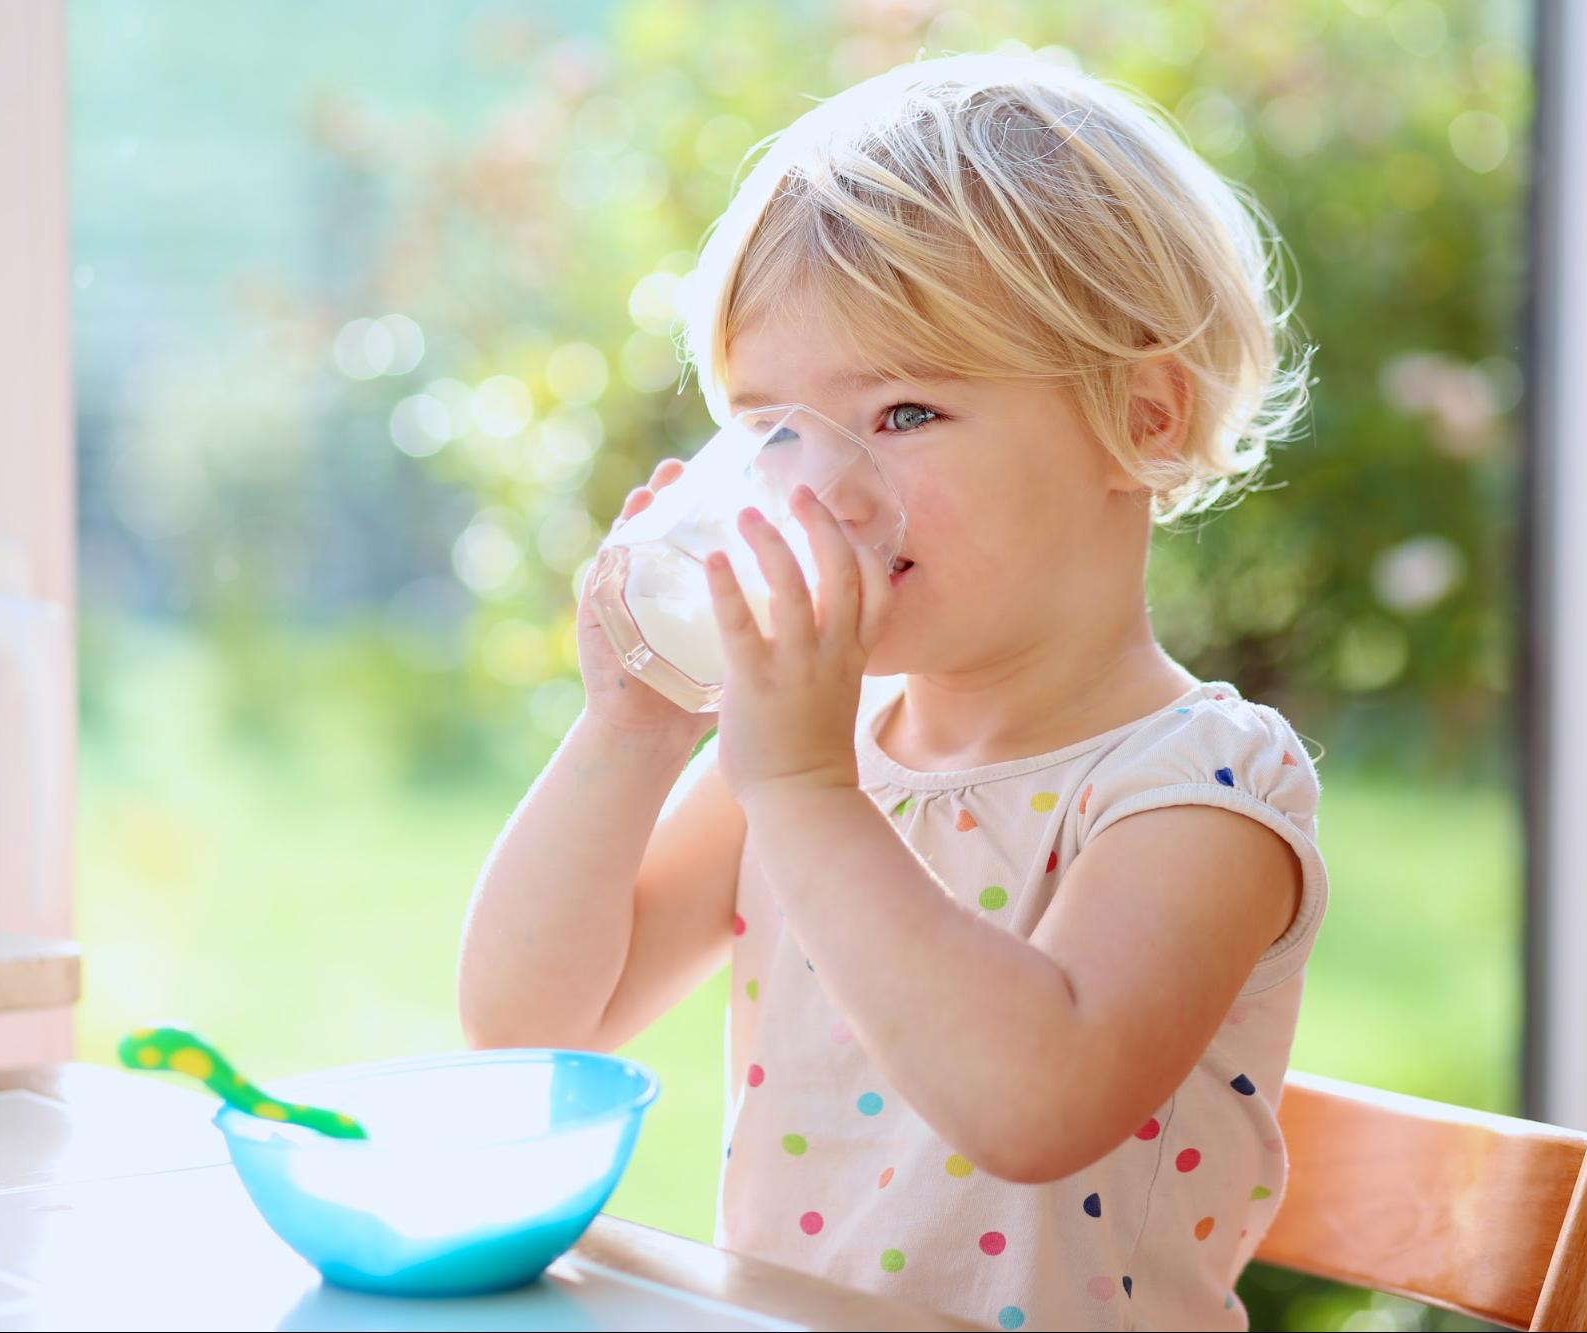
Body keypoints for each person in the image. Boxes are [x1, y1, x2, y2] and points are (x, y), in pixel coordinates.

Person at [459, 48, 1326, 1332]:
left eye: (907, 411)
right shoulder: (810, 753)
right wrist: (629, 730)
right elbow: (532, 1026)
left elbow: (1032, 1106)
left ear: (1143, 419)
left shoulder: (1198, 791)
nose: (822, 489)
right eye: (769, 430)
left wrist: (806, 790)